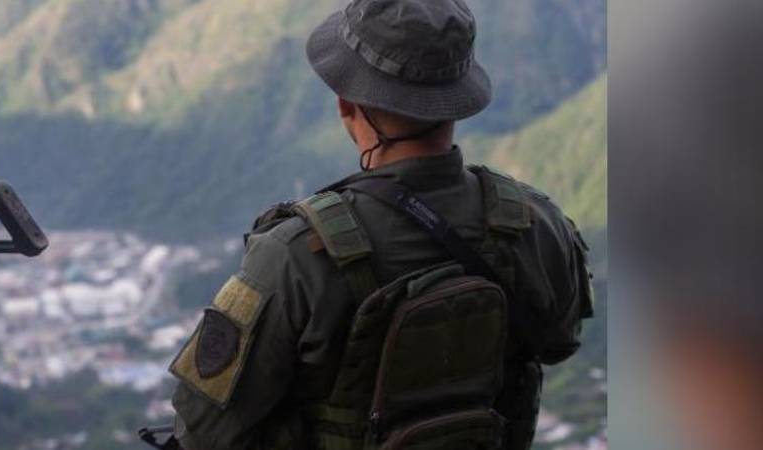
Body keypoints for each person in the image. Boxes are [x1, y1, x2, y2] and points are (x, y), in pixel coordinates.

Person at [166, 0, 594, 448]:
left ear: (348, 104)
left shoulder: (294, 255)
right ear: (455, 100)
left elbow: (203, 430)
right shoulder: (536, 223)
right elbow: (560, 344)